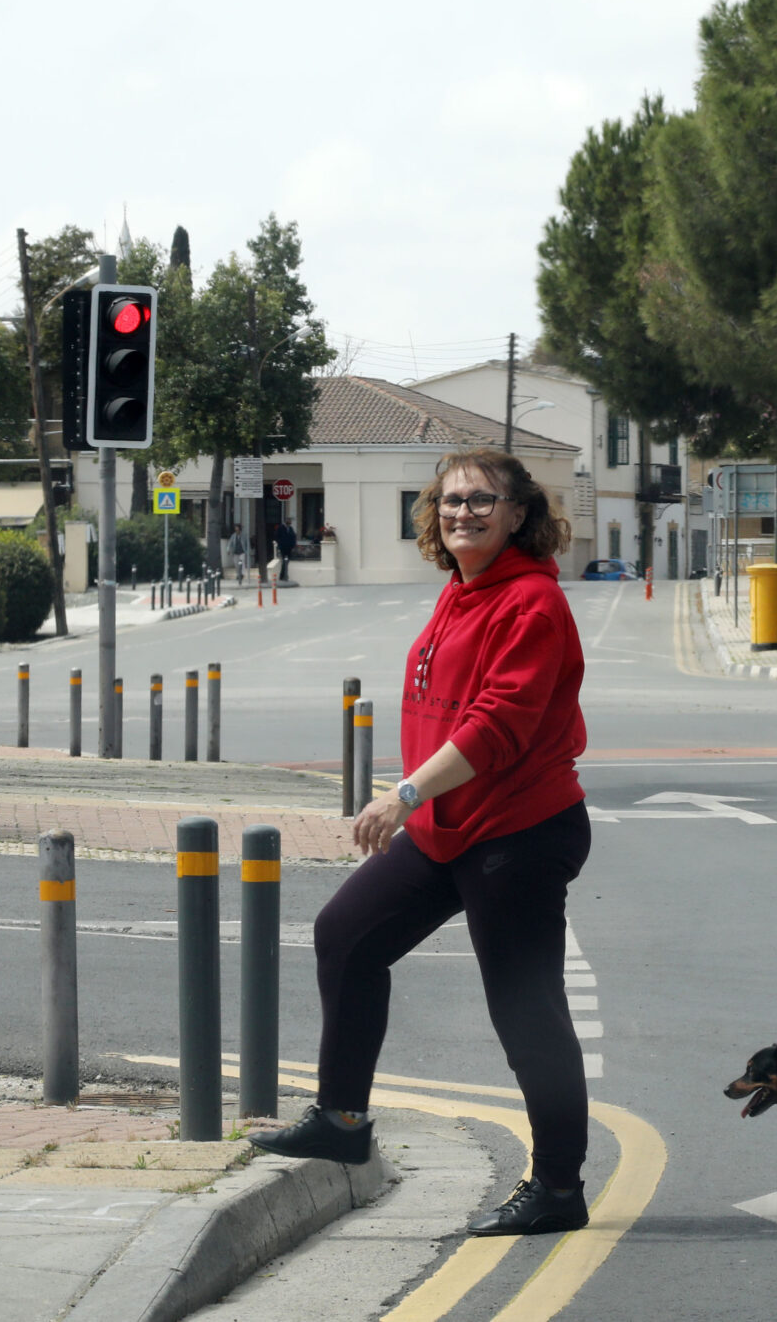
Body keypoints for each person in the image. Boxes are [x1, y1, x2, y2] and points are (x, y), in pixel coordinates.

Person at [249, 448, 594, 1237]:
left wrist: (403, 794)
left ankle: (559, 1186)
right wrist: (421, 801)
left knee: (526, 1010)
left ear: (518, 513)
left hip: (519, 829)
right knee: (346, 934)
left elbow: (498, 725)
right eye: (450, 500)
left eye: (482, 500)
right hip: (450, 824)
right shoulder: (462, 589)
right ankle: (342, 1121)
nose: (462, 511)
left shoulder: (532, 602)